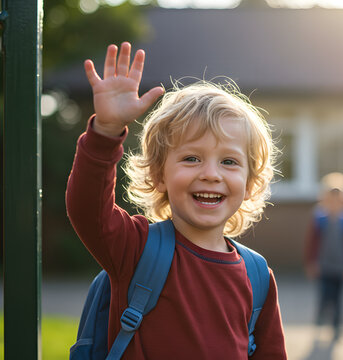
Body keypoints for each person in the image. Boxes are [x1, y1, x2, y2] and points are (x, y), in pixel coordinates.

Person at [66, 42, 287, 359]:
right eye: (192, 158)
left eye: (228, 162)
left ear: (251, 184)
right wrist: (106, 131)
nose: (211, 174)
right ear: (159, 175)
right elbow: (87, 210)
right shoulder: (136, 248)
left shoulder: (257, 275)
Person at [304, 172, 343, 341]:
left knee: (338, 297)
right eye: (331, 198)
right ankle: (321, 320)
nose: (335, 202)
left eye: (338, 198)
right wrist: (311, 262)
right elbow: (312, 242)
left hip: (341, 265)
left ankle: (337, 325)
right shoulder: (319, 217)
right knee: (324, 295)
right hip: (324, 265)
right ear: (325, 198)